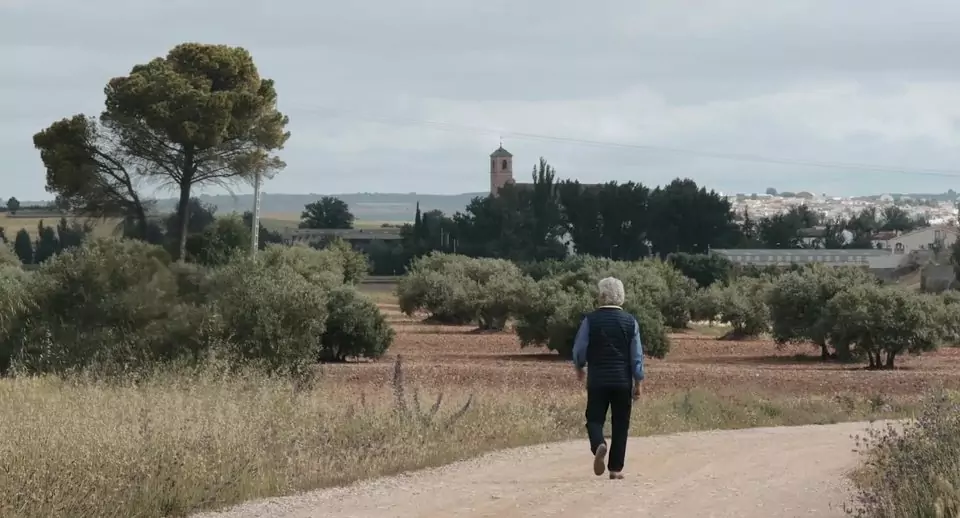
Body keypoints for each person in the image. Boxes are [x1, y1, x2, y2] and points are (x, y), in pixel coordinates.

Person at [572, 276, 644, 480]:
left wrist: (579, 366)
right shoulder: (630, 322)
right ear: (621, 296)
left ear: (601, 296)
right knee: (621, 423)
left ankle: (599, 444)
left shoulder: (590, 320)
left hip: (597, 379)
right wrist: (638, 382)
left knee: (594, 419)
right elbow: (636, 355)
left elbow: (580, 348)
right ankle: (615, 468)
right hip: (622, 381)